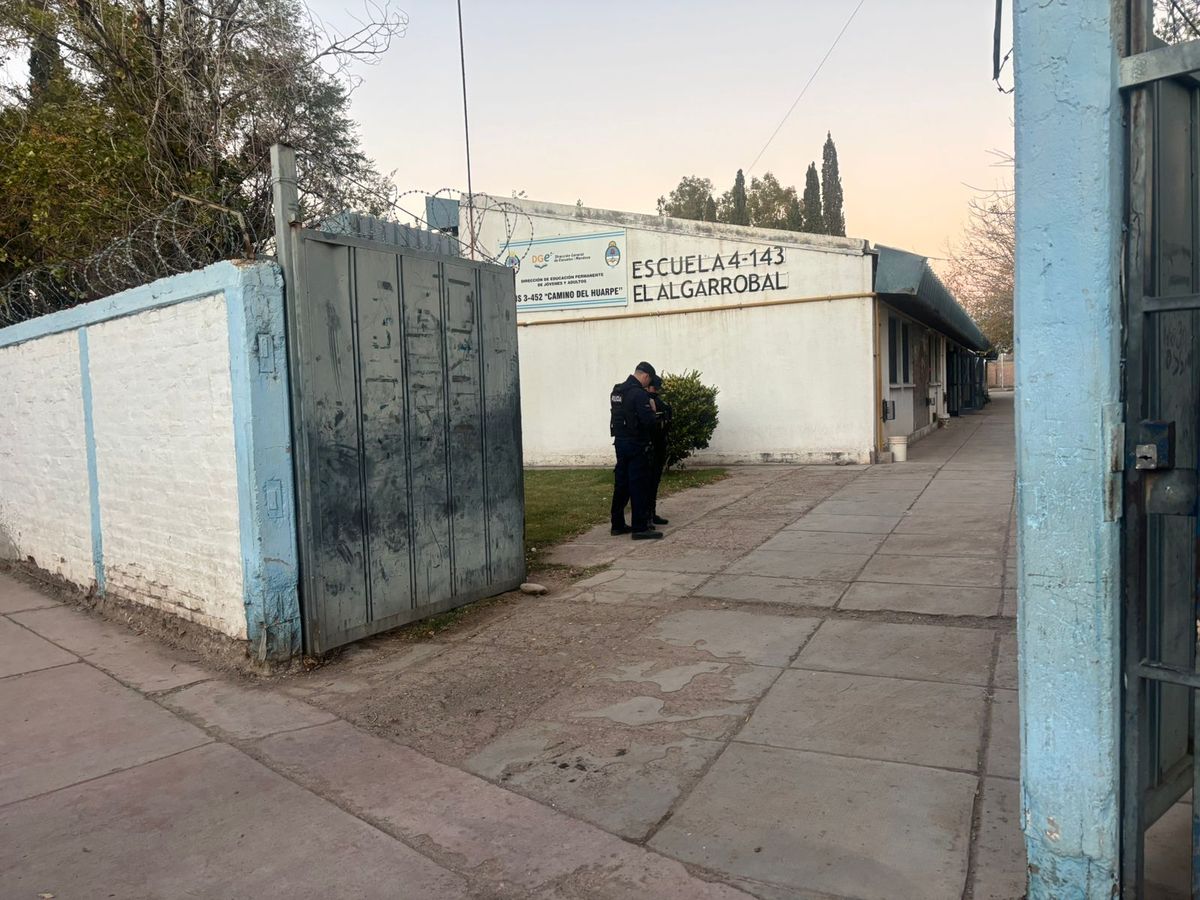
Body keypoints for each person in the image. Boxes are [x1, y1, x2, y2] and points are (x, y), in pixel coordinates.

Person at [609, 362, 663, 540]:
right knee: (638, 485)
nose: (648, 384)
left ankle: (617, 524)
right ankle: (640, 527)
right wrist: (654, 412)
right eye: (649, 380)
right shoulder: (638, 394)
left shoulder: (617, 391)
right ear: (645, 376)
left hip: (620, 442)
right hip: (636, 444)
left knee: (622, 484)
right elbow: (648, 422)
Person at [646, 374, 671, 526]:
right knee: (649, 483)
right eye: (655, 388)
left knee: (654, 482)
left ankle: (652, 513)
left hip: (659, 445)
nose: (657, 392)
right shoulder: (646, 399)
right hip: (651, 447)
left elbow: (667, 413)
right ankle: (647, 515)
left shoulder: (656, 400)